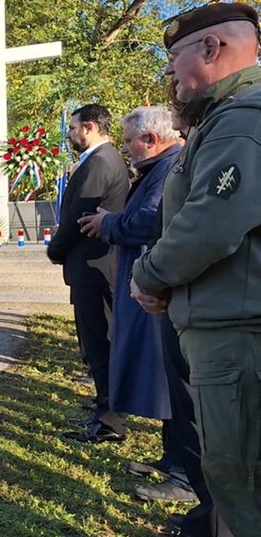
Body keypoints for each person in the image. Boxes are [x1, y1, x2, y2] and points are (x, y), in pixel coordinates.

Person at [130, 2, 261, 537]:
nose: (171, 74)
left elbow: (211, 222)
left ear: (211, 50)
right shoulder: (227, 120)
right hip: (229, 324)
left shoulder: (242, 120)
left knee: (239, 477)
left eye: (175, 58)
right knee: (238, 474)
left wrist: (150, 274)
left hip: (239, 334)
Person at [79, 106, 186, 478]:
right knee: (168, 381)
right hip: (148, 282)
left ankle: (183, 469)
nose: (124, 148)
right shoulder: (160, 168)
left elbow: (151, 221)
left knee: (173, 382)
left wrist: (109, 222)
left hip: (158, 289)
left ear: (150, 139)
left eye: (128, 141)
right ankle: (173, 459)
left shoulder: (169, 169)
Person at [48, 103, 130, 444]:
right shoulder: (100, 159)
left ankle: (111, 422)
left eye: (73, 128)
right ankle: (103, 409)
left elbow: (79, 216)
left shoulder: (100, 162)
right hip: (94, 265)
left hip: (96, 266)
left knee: (101, 343)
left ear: (90, 127)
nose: (70, 134)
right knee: (96, 342)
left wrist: (55, 249)